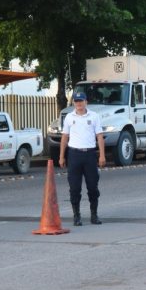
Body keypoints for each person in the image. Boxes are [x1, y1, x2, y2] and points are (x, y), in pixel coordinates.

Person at [59, 91, 106, 226]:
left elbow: (99, 136)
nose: (79, 104)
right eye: (76, 101)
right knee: (74, 188)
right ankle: (76, 215)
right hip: (74, 155)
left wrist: (102, 155)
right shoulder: (69, 117)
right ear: (73, 102)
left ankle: (94, 215)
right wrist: (62, 156)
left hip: (90, 155)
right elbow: (64, 137)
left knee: (92, 187)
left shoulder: (94, 116)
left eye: (81, 101)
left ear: (86, 102)